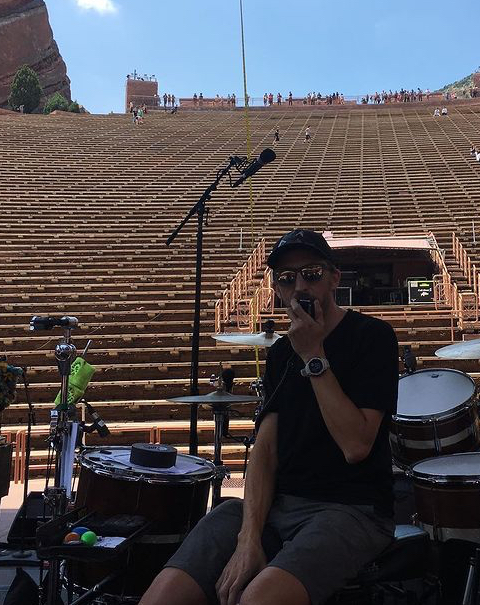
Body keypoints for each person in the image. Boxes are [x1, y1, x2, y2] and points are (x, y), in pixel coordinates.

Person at [141, 229, 398, 605]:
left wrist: (314, 356)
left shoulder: (372, 337)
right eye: (286, 278)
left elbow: (356, 445)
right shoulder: (280, 354)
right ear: (277, 289)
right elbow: (265, 450)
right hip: (279, 506)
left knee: (258, 599)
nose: (299, 287)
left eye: (311, 274)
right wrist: (248, 539)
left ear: (334, 278)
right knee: (164, 596)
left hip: (352, 510)